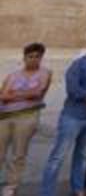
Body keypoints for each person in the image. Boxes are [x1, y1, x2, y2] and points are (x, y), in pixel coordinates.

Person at [40, 30, 86, 196]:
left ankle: (78, 189)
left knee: (83, 155)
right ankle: (46, 192)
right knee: (57, 157)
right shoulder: (78, 64)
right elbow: (73, 89)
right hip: (73, 116)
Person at [2, 43, 51, 196]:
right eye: (30, 56)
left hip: (27, 117)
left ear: (41, 58)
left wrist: (14, 94)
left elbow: (38, 93)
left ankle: (11, 186)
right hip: (4, 117)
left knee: (19, 153)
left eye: (38, 57)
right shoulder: (13, 75)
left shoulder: (45, 73)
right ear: (24, 58)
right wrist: (26, 93)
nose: (34, 60)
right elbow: (3, 96)